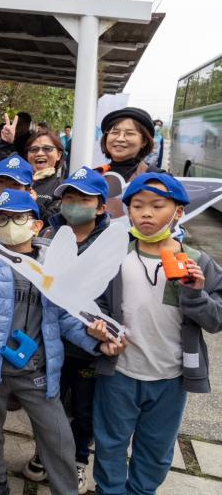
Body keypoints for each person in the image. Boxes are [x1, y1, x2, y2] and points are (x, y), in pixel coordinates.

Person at [0, 190, 112, 495]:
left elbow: (66, 317)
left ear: (36, 225)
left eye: (17, 218)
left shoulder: (54, 265)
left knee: (57, 435)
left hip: (36, 369)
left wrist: (95, 342)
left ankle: (65, 487)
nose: (8, 225)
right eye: (1, 219)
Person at [92, 173, 222, 495]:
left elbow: (216, 320)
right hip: (119, 373)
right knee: (109, 444)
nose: (145, 213)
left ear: (178, 211)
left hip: (171, 377)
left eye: (157, 205)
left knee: (156, 449)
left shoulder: (197, 261)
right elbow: (93, 302)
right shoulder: (115, 255)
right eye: (137, 206)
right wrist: (98, 330)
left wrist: (195, 294)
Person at [22, 167, 111, 493]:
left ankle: (77, 459)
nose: (73, 204)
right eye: (68, 197)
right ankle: (45, 451)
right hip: (49, 339)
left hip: (88, 343)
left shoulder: (111, 243)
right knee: (49, 400)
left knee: (85, 408)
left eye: (83, 198)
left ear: (101, 206)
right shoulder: (45, 236)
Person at [95, 107, 163, 182]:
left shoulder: (158, 180)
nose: (120, 139)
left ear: (144, 141)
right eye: (115, 132)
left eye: (129, 133)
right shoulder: (92, 176)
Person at [25, 131, 65, 224]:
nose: (39, 153)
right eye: (34, 149)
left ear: (58, 155)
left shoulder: (62, 188)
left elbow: (54, 221)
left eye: (47, 148)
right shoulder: (18, 181)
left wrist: (34, 203)